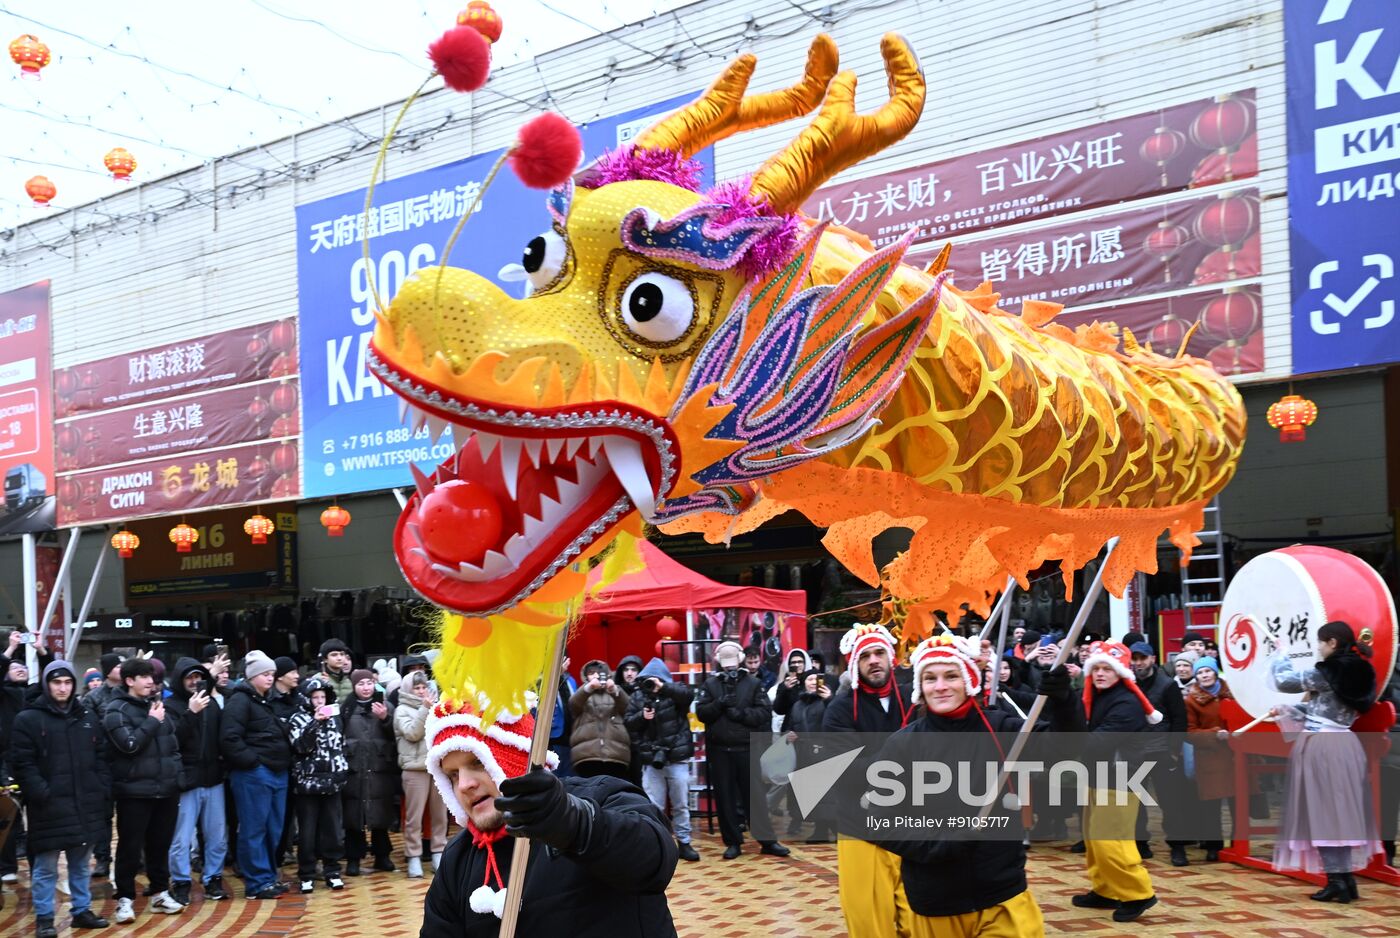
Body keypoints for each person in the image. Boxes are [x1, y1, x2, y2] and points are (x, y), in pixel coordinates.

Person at [871, 635, 1081, 937]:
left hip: (1002, 894)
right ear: (920, 687)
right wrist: (939, 843)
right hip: (936, 901)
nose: (940, 686)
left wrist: (1064, 702)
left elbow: (1064, 750)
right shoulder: (903, 744)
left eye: (951, 676)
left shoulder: (1001, 729)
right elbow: (881, 821)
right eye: (930, 678)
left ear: (968, 680)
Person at [420, 701, 678, 935]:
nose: (464, 785)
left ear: (513, 756)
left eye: (477, 762)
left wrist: (575, 825)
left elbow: (656, 860)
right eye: (453, 775)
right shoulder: (458, 858)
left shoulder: (600, 795)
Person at [1268, 620, 1381, 902]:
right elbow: (1329, 708)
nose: (1318, 648)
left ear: (1332, 642)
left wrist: (1281, 653)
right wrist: (1291, 710)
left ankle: (1336, 882)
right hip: (1345, 745)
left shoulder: (1330, 670)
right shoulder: (1363, 669)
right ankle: (1345, 880)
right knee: (1340, 814)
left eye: (1320, 642)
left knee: (1321, 814)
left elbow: (1284, 681)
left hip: (1322, 747)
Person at [821, 623, 913, 937]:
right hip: (862, 829)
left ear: (891, 657)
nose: (873, 660)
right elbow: (845, 771)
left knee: (920, 919)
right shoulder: (840, 709)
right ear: (854, 663)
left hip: (914, 826)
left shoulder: (913, 700)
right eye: (865, 656)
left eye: (879, 653)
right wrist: (900, 757)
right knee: (870, 922)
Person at [9, 660, 112, 936]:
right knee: (45, 867)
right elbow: (23, 763)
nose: (63, 688)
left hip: (85, 803)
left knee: (81, 864)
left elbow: (101, 756)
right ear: (46, 684)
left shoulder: (87, 716)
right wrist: (41, 792)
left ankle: (82, 910)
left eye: (67, 682)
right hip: (48, 806)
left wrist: (101, 788)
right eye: (56, 682)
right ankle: (45, 919)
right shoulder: (28, 719)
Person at [1071, 641, 1160, 923]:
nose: (1100, 673)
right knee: (1094, 839)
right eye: (1096, 668)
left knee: (1111, 841)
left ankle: (1138, 893)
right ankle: (1106, 888)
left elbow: (1098, 741)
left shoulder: (1126, 703)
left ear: (1119, 672)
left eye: (1106, 669)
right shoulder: (1097, 696)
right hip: (1099, 775)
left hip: (1120, 778)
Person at [103, 657, 186, 922]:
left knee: (160, 845)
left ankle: (160, 893)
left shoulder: (157, 706)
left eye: (152, 677)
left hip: (166, 789)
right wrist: (151, 721)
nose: (151, 682)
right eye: (145, 677)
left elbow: (173, 746)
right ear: (130, 680)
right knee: (130, 847)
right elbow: (129, 745)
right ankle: (125, 899)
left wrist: (176, 777)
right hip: (134, 792)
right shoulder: (116, 709)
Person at [696, 641, 789, 860]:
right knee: (725, 798)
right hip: (720, 750)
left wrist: (741, 714)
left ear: (739, 660)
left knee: (755, 796)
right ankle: (733, 842)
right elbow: (702, 713)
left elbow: (764, 712)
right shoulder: (710, 684)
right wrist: (718, 704)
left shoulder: (753, 684)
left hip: (747, 748)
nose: (729, 667)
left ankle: (767, 840)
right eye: (725, 663)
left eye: (732, 663)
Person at [220, 650, 294, 900]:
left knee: (273, 828)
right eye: (265, 674)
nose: (270, 678)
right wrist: (253, 763)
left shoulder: (266, 700)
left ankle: (268, 877)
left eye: (272, 673)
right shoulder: (240, 701)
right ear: (252, 676)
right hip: (255, 774)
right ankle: (257, 883)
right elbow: (229, 738)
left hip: (276, 771)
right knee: (254, 829)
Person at [165, 658, 230, 905]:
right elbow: (172, 741)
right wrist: (191, 713)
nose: (194, 682)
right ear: (180, 680)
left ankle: (213, 878)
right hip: (186, 781)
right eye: (189, 677)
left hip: (213, 779)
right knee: (181, 838)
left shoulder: (212, 705)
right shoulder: (171, 706)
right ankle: (181, 881)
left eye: (198, 677)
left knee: (217, 835)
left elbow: (221, 738)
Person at [624, 658, 699, 862]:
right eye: (648, 680)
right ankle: (658, 843)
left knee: (681, 803)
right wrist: (642, 717)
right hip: (651, 759)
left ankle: (684, 842)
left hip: (676, 757)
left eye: (656, 679)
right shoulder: (638, 696)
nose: (651, 683)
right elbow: (628, 723)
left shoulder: (674, 692)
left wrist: (663, 687)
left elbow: (688, 695)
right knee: (653, 805)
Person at [1128, 641, 1190, 865]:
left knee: (1171, 802)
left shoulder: (1167, 685)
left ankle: (1177, 846)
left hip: (1162, 751)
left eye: (1142, 658)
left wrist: (1174, 750)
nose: (1139, 663)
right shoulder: (1128, 684)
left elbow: (1179, 718)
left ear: (1152, 659)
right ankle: (1140, 843)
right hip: (1135, 752)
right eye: (1135, 659)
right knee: (1135, 802)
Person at [286, 677, 349, 893]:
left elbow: (341, 745)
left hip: (332, 783)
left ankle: (332, 871)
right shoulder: (297, 719)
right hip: (308, 785)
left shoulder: (335, 718)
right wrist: (315, 722)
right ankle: (307, 873)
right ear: (307, 699)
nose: (320, 701)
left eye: (323, 697)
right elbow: (300, 746)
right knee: (307, 832)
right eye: (315, 697)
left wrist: (342, 772)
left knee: (332, 830)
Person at [342, 668, 398, 876]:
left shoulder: (386, 705)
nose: (366, 688)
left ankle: (382, 856)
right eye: (360, 684)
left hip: (380, 768)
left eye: (369, 683)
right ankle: (353, 858)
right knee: (353, 815)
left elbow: (397, 735)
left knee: (380, 813)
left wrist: (385, 719)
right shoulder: (346, 708)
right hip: (353, 769)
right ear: (354, 686)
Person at [395, 669, 449, 878]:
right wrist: (425, 709)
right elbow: (412, 733)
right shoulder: (401, 710)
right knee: (414, 817)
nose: (420, 691)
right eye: (416, 687)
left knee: (440, 815)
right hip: (413, 769)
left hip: (436, 767)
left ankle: (439, 852)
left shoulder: (435, 707)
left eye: (423, 687)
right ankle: (413, 856)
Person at [1184, 657, 1235, 862]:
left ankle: (1238, 843)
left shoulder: (1233, 693)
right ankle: (1213, 846)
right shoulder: (1192, 700)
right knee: (1211, 805)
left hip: (1235, 756)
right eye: (1200, 672)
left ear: (1215, 672)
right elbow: (1189, 732)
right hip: (1210, 758)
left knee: (1238, 803)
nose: (1204, 675)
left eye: (1207, 671)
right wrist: (1214, 734)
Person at [785, 669, 833, 841]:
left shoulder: (828, 700)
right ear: (804, 683)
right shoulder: (797, 705)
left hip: (825, 751)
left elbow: (837, 721)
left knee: (827, 793)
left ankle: (831, 829)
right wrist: (789, 735)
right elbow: (790, 726)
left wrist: (830, 700)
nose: (813, 682)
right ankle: (820, 830)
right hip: (803, 753)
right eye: (809, 679)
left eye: (816, 679)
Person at [568, 660, 632, 780]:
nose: (596, 676)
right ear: (586, 676)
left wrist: (615, 690)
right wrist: (589, 688)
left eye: (600, 673)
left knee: (614, 788)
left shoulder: (615, 693)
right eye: (591, 673)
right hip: (587, 755)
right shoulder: (582, 694)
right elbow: (573, 705)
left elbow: (628, 708)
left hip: (616, 755)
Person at [546, 657, 578, 778]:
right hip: (553, 738)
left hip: (571, 739)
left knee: (570, 779)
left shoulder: (571, 680)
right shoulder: (543, 679)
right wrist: (556, 675)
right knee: (555, 778)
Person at [318, 639, 355, 703]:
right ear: (325, 659)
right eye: (334, 655)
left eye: (342, 654)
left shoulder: (349, 680)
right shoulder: (318, 680)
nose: (339, 658)